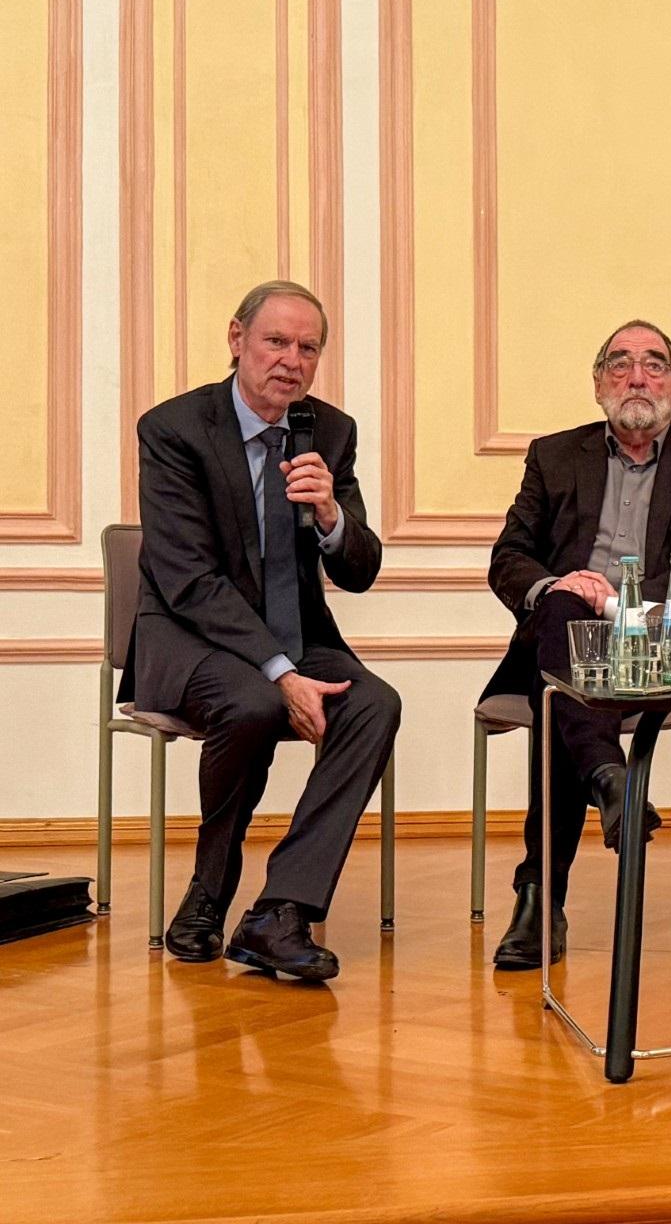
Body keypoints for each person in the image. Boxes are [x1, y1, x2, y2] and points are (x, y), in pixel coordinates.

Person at [127, 279, 401, 982]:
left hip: (293, 630)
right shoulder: (174, 429)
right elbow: (188, 580)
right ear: (237, 340)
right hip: (191, 637)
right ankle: (207, 894)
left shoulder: (329, 431)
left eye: (307, 348)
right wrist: (281, 673)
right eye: (276, 341)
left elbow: (363, 569)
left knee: (374, 703)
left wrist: (335, 516)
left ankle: (280, 912)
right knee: (251, 702)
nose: (291, 360)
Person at [481, 318, 671, 970]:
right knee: (560, 622)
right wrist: (563, 589)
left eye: (654, 364)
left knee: (561, 686)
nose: (637, 377)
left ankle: (539, 894)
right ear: (598, 383)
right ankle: (608, 777)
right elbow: (509, 558)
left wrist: (614, 602)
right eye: (620, 364)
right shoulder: (553, 456)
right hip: (569, 641)